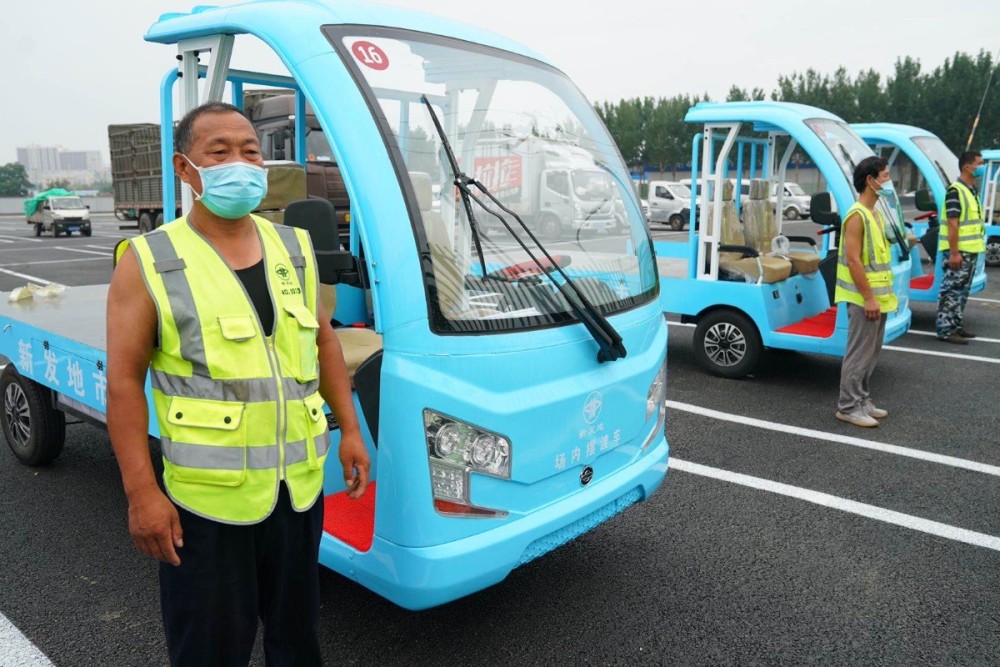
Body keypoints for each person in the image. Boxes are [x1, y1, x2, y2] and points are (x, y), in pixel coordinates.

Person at [106, 101, 370, 667]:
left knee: (297, 644)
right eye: (219, 152)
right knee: (210, 649)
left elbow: (322, 340)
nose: (240, 163)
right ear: (185, 168)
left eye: (250, 151)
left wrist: (349, 429)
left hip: (295, 492)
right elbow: (125, 383)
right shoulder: (149, 259)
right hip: (206, 504)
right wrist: (141, 494)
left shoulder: (293, 246)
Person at [834, 156, 898, 428]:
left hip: (878, 298)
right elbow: (854, 260)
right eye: (884, 175)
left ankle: (861, 400)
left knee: (870, 354)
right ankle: (847, 406)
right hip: (863, 299)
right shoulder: (857, 216)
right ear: (870, 181)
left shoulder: (875, 213)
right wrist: (869, 297)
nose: (889, 180)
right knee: (859, 353)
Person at [936, 150, 986, 344]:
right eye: (979, 163)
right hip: (959, 252)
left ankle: (955, 326)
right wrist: (954, 253)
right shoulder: (956, 190)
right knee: (951, 290)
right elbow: (953, 224)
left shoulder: (971, 190)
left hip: (970, 250)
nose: (981, 167)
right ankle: (945, 330)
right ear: (967, 167)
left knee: (962, 291)